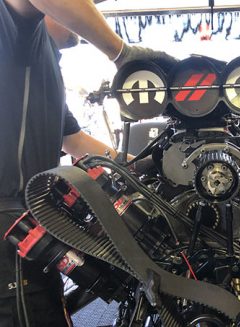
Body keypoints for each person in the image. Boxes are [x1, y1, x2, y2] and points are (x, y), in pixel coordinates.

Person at [0, 0, 176, 326]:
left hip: (35, 225)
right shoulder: (12, 30)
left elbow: (76, 141)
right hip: (10, 234)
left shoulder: (45, 61)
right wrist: (122, 53)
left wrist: (153, 164)